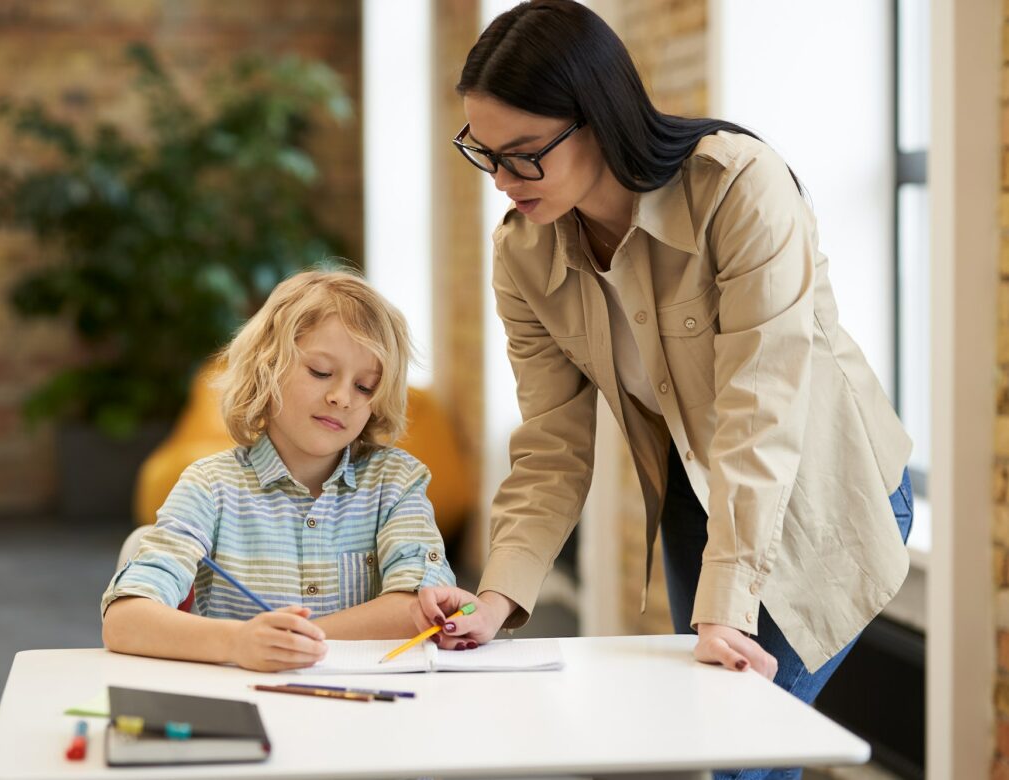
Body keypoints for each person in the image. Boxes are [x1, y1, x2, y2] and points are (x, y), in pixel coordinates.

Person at [416, 3, 913, 775]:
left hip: (822, 491)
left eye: (523, 156)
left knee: (742, 750)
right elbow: (552, 440)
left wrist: (724, 607)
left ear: (597, 118)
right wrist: (499, 599)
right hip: (697, 500)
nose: (503, 183)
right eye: (486, 155)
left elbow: (761, 406)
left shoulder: (737, 187)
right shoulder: (521, 254)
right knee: (719, 748)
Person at [103, 269, 456, 672]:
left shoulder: (396, 483)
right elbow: (124, 621)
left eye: (365, 387)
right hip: (246, 708)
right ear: (265, 368)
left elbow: (420, 607)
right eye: (320, 372)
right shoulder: (210, 487)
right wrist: (238, 643)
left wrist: (291, 643)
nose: (342, 397)